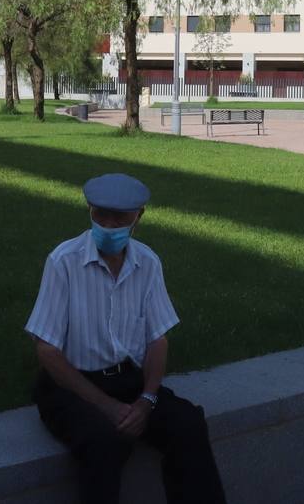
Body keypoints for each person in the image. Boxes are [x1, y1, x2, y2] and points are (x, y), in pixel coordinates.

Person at [26, 173, 227, 504]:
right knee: (104, 443)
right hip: (71, 387)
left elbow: (158, 339)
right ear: (89, 210)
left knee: (188, 423)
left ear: (139, 217)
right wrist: (107, 407)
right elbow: (47, 350)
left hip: (129, 381)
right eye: (99, 214)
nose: (107, 224)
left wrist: (146, 401)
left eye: (119, 217)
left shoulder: (147, 262)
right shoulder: (63, 262)